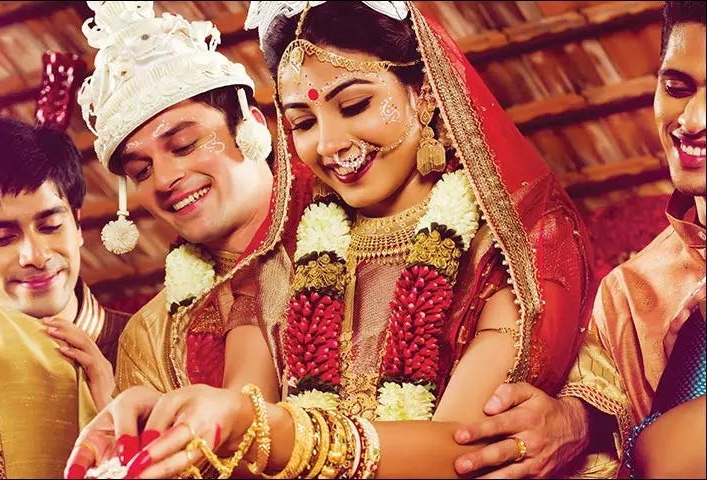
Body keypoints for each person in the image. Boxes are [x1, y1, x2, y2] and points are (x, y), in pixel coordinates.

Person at [64, 2, 597, 478]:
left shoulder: (509, 243)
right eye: (303, 122)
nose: (329, 143)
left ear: (424, 93)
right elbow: (239, 431)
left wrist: (262, 427)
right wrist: (165, 426)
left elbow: (464, 452)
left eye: (355, 104)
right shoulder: (277, 263)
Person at [452, 1, 706, 477]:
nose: (692, 121)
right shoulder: (628, 295)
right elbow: (601, 415)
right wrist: (574, 422)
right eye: (676, 88)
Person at [65, 1, 296, 475]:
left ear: (251, 125)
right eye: (141, 170)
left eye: (185, 145)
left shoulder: (365, 238)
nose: (166, 178)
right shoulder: (151, 335)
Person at [0, 117, 130, 477]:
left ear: (78, 225)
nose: (35, 256)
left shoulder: (148, 344)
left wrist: (114, 409)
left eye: (50, 226)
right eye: (1, 238)